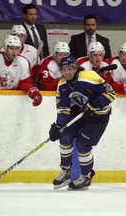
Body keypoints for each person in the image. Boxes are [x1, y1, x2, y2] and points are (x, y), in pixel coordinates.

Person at [48, 55, 115, 190]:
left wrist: (97, 103)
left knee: (82, 145)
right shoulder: (62, 85)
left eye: (70, 69)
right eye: (64, 69)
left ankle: (85, 176)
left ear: (76, 68)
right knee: (64, 136)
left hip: (99, 116)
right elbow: (63, 108)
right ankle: (66, 171)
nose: (67, 73)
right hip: (82, 112)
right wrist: (59, 126)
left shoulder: (89, 77)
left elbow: (111, 93)